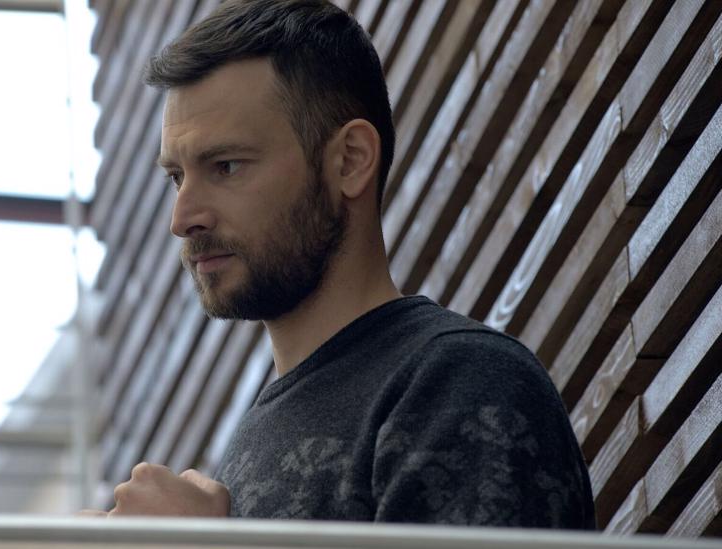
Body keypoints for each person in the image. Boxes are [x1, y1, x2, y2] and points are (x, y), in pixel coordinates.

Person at [82, 0, 596, 527]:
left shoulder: (460, 381)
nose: (183, 217)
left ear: (350, 160)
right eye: (177, 177)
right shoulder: (254, 440)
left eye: (226, 165)